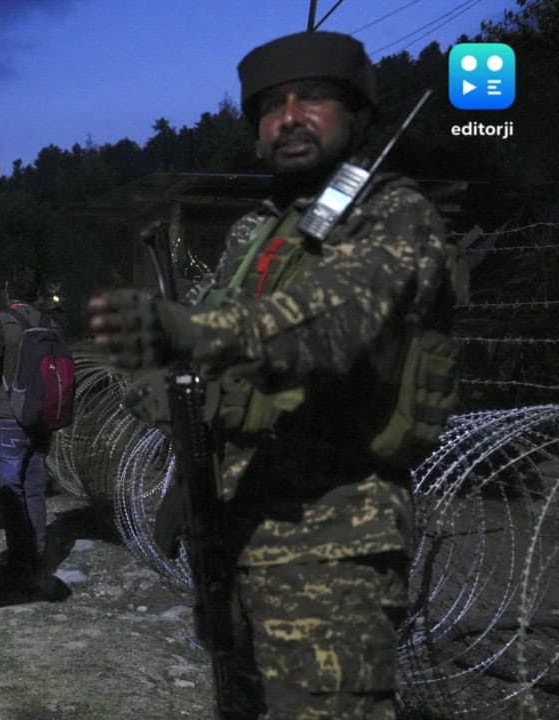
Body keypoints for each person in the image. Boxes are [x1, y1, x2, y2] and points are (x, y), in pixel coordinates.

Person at [88, 31, 463, 719]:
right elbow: (193, 360)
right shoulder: (256, 235)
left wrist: (187, 334)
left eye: (313, 98)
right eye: (270, 106)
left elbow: (330, 322)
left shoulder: (396, 216)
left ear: (357, 114)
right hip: (236, 528)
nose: (288, 116)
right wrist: (159, 372)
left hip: (333, 543)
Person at [0, 264, 65, 599]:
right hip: (43, 418)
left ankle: (17, 569)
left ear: (10, 289)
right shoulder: (50, 323)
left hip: (10, 415)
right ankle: (38, 563)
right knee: (35, 490)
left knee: (11, 495)